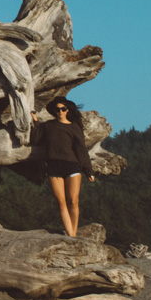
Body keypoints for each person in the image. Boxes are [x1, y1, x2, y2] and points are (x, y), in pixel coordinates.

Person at [29, 98, 95, 237]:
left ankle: (73, 233)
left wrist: (88, 170)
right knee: (61, 203)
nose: (60, 111)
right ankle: (71, 235)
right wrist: (35, 121)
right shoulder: (48, 126)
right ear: (54, 111)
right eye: (57, 109)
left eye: (63, 109)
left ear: (68, 110)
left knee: (73, 201)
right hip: (53, 167)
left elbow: (81, 150)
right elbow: (35, 139)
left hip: (72, 167)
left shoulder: (74, 127)